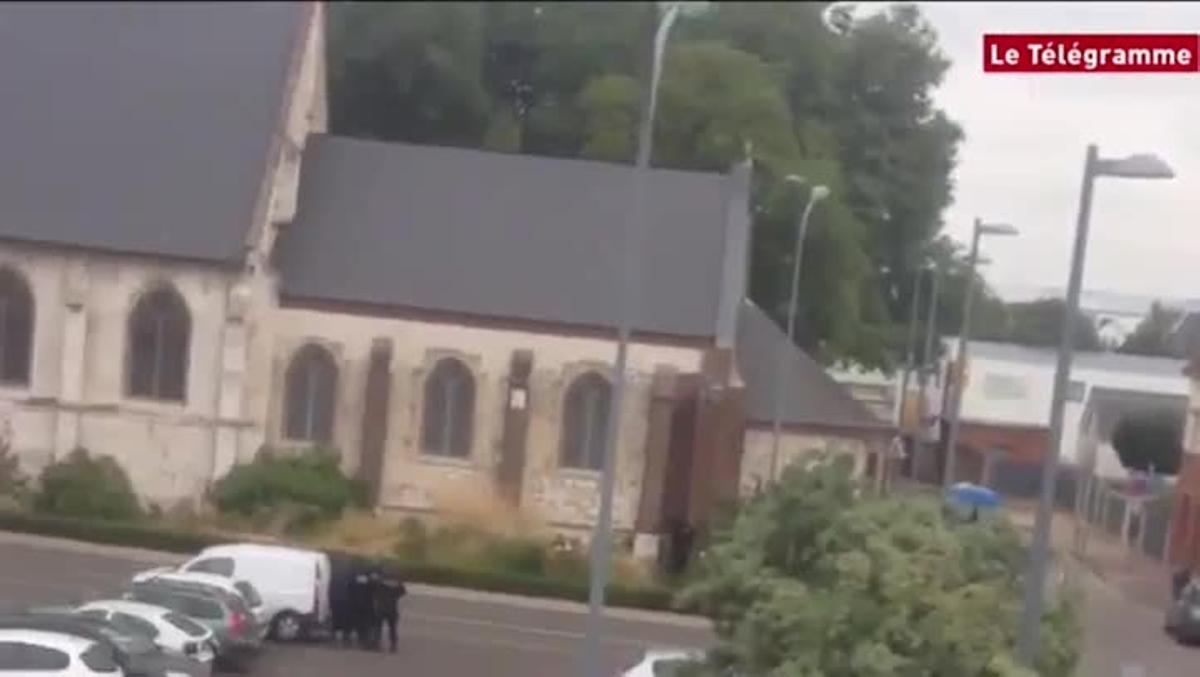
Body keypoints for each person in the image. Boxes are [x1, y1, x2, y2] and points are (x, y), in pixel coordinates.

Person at [373, 570, 407, 653]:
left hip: (380, 608)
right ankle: (393, 646)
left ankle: (377, 644)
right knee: (392, 628)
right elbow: (402, 592)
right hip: (392, 608)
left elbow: (373, 590)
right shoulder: (397, 584)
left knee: (378, 627)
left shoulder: (379, 583)